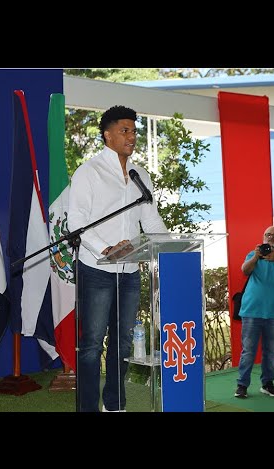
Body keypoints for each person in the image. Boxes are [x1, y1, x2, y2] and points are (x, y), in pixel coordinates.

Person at [68, 105, 168, 412]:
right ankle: (87, 407)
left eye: (134, 131)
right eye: (125, 130)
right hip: (96, 268)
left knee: (123, 344)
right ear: (107, 135)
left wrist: (174, 248)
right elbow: (77, 223)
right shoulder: (89, 171)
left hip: (129, 271)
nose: (132, 137)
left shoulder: (140, 175)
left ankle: (115, 404)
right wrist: (106, 249)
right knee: (92, 345)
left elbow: (150, 223)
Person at [234, 227, 274, 399]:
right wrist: (255, 256)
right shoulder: (253, 256)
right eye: (268, 235)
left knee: (269, 351)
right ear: (263, 238)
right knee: (249, 350)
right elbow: (245, 270)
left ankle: (268, 384)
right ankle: (242, 385)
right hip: (252, 310)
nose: (272, 238)